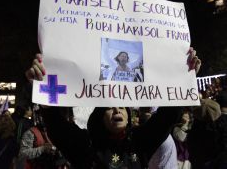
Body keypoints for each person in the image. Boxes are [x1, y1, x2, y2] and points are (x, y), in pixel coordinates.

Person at [25, 47, 201, 169]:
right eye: (110, 108)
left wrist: (185, 74)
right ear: (100, 116)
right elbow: (57, 127)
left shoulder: (139, 142)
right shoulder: (85, 145)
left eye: (122, 108)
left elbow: (166, 117)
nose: (117, 110)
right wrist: (42, 85)